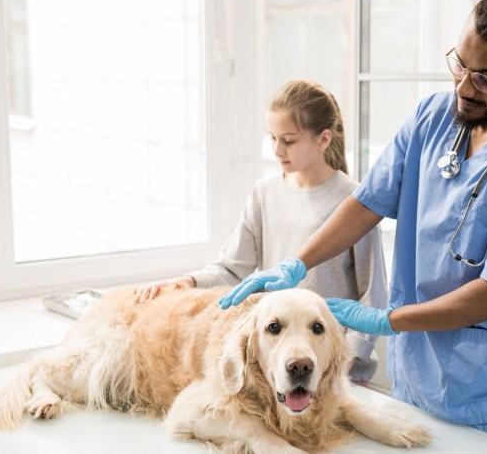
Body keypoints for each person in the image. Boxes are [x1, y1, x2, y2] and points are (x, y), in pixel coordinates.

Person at [218, 0, 487, 453]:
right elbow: (367, 203)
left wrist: (386, 319)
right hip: (414, 380)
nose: (464, 87)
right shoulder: (432, 118)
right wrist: (295, 264)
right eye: (459, 63)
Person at [136, 79, 388, 384]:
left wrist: (347, 358)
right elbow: (233, 269)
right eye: (272, 138)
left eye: (289, 140)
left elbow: (373, 294)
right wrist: (187, 282)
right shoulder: (264, 193)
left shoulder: (356, 202)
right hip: (281, 365)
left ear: (323, 140)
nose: (277, 150)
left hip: (331, 368)